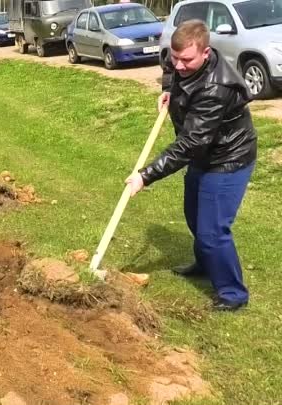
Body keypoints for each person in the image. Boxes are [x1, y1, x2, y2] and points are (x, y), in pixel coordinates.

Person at [125, 20, 257, 312]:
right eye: (176, 57)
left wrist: (145, 176)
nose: (179, 64)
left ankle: (233, 294)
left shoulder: (215, 87)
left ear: (206, 53)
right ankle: (205, 263)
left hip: (227, 158)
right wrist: (169, 91)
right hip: (202, 156)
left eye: (187, 60)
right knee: (194, 215)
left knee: (212, 231)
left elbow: (190, 144)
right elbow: (170, 70)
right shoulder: (177, 58)